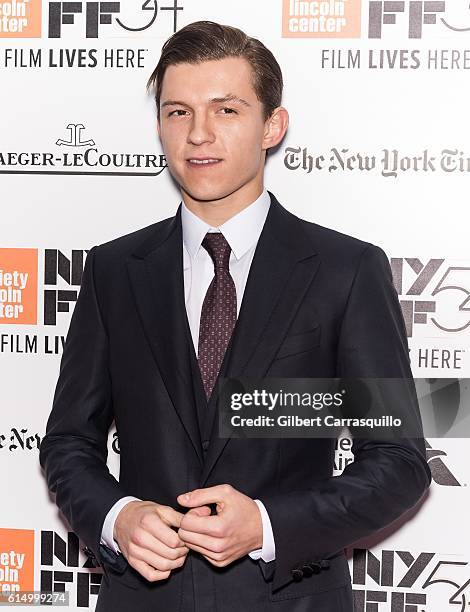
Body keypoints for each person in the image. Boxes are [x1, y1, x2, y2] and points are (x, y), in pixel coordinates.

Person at [39, 20, 431, 612]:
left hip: (291, 598)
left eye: (226, 110)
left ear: (272, 126)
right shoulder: (114, 270)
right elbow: (69, 440)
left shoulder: (345, 270)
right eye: (178, 112)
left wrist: (269, 525)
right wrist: (118, 516)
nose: (199, 134)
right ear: (160, 127)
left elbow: (399, 462)